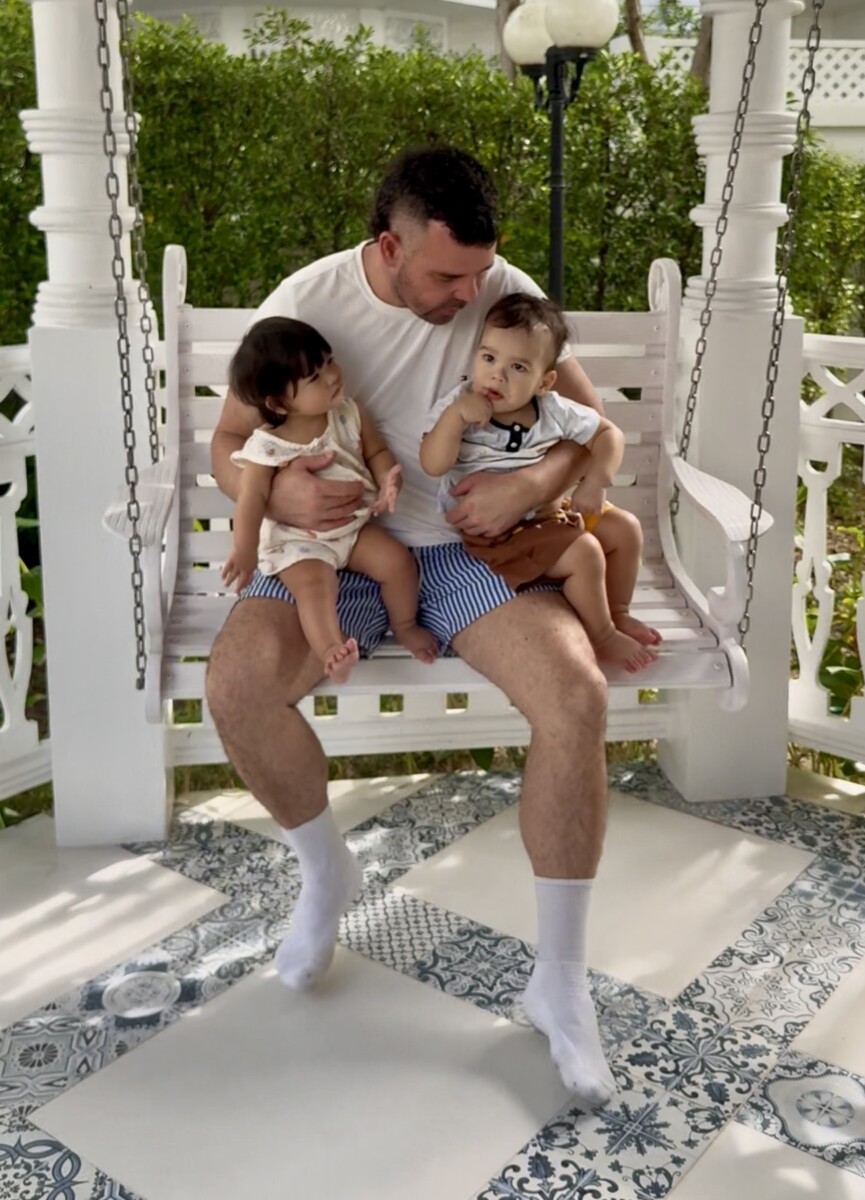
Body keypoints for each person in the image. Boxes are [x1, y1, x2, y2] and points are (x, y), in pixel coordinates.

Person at [208, 145, 615, 1105]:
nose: (470, 293)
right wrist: (277, 497)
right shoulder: (307, 300)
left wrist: (531, 478)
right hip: (341, 551)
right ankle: (326, 875)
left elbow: (589, 427)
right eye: (446, 277)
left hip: (468, 554)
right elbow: (231, 443)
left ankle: (559, 983)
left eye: (481, 273)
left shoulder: (496, 283)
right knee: (235, 688)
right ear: (386, 246)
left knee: (576, 697)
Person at [420, 293, 661, 673]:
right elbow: (432, 464)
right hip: (498, 533)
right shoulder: (459, 405)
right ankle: (601, 635)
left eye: (517, 367)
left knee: (626, 530)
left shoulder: (552, 410)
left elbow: (608, 435)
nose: (497, 374)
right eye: (488, 358)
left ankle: (617, 611)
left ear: (545, 381)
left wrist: (595, 481)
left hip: (550, 514)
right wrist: (453, 420)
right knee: (585, 553)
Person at [220, 316, 438, 682]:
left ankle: (404, 624)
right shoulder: (268, 445)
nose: (333, 376)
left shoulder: (349, 414)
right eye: (314, 378)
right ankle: (330, 650)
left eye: (329, 362)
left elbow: (376, 452)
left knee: (397, 562)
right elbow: (252, 498)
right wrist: (243, 550)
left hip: (352, 529)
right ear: (279, 403)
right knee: (315, 587)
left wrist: (387, 480)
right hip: (298, 542)